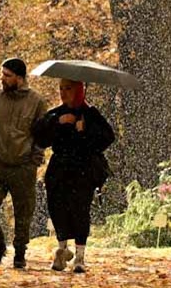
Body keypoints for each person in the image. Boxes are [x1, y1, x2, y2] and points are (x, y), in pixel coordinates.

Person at [34, 79, 116, 274]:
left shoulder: (91, 114)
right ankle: (62, 251)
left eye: (68, 89)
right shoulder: (56, 113)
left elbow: (107, 138)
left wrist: (84, 131)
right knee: (57, 208)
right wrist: (58, 122)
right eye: (61, 88)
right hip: (59, 169)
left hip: (82, 170)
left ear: (79, 90)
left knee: (80, 210)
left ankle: (80, 256)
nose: (63, 93)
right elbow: (39, 136)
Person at [0, 56, 51, 269]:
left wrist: (35, 158)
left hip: (23, 165)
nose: (2, 78)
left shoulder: (37, 102)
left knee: (23, 211)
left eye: (7, 75)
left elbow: (43, 134)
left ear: (19, 78)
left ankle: (20, 251)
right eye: (2, 74)